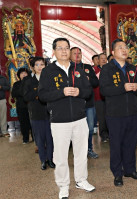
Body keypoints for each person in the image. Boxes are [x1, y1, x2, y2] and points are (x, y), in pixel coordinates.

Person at [38, 38, 95, 199]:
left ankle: (81, 180)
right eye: (60, 48)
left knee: (81, 153)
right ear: (54, 51)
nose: (64, 51)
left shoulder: (77, 69)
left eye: (67, 48)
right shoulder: (48, 71)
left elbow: (88, 90)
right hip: (59, 121)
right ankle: (63, 185)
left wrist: (79, 92)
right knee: (61, 156)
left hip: (79, 118)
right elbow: (42, 95)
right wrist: (61, 92)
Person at [99, 39, 137, 187]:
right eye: (120, 48)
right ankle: (117, 173)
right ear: (113, 52)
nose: (124, 50)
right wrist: (122, 88)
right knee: (116, 145)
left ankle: (130, 170)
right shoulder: (107, 69)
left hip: (132, 112)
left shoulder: (133, 68)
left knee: (131, 144)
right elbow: (104, 91)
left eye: (125, 48)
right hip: (115, 114)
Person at [23, 57, 55, 170]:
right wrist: (38, 94)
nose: (40, 67)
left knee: (50, 138)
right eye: (37, 65)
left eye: (42, 64)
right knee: (40, 139)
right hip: (36, 113)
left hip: (49, 112)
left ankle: (51, 159)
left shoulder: (50, 79)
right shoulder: (28, 81)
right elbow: (26, 96)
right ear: (32, 67)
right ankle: (43, 160)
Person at [70, 47, 99, 159]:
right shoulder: (69, 68)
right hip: (75, 104)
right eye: (74, 53)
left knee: (90, 128)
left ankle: (89, 148)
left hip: (89, 103)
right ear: (69, 55)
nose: (77, 55)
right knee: (76, 130)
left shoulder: (87, 67)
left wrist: (87, 79)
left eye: (79, 53)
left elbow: (95, 82)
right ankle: (78, 151)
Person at [11, 68, 32, 144]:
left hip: (31, 105)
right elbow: (14, 94)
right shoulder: (16, 84)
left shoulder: (31, 82)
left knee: (32, 122)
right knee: (23, 123)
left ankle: (35, 138)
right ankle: (25, 139)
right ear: (19, 75)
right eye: (22, 73)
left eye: (25, 73)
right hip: (21, 106)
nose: (24, 74)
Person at [94, 53, 109, 142]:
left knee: (109, 116)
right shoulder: (94, 70)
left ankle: (110, 133)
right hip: (98, 97)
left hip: (109, 97)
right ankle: (103, 135)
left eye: (105, 58)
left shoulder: (109, 69)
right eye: (101, 58)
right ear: (98, 60)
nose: (104, 60)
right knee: (101, 118)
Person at [0, 73, 10, 137]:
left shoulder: (3, 78)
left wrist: (1, 87)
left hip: (2, 100)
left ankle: (4, 131)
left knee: (3, 116)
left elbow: (8, 87)